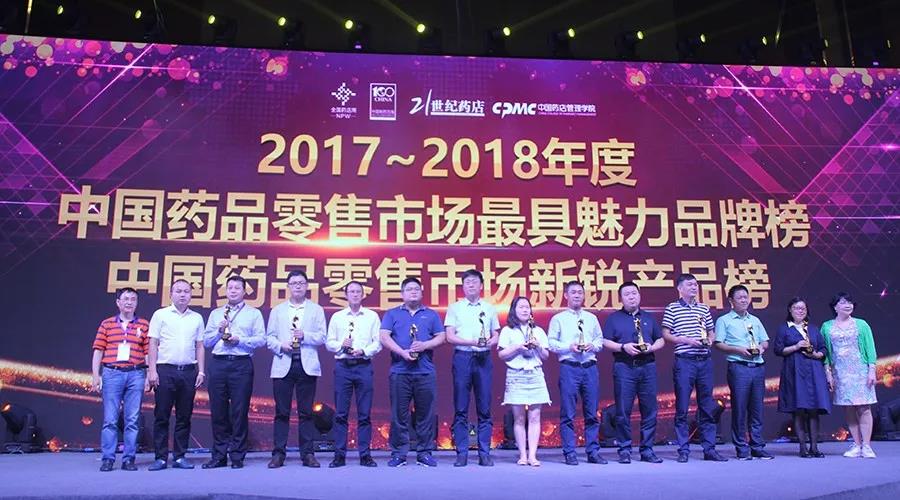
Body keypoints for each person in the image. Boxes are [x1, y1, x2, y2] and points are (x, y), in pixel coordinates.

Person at [379, 277, 446, 467]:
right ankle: (399, 453)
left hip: (425, 372)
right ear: (402, 293)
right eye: (409, 289)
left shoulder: (431, 314)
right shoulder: (392, 314)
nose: (413, 292)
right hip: (400, 371)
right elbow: (384, 336)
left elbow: (441, 336)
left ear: (422, 292)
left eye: (416, 289)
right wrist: (402, 352)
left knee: (425, 414)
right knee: (399, 414)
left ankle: (424, 453)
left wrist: (425, 345)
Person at [662, 273, 728, 462]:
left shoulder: (703, 308)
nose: (694, 287)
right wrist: (685, 340)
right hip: (685, 360)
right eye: (690, 284)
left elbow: (711, 331)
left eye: (695, 284)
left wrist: (710, 340)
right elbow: (666, 333)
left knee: (707, 405)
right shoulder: (672, 308)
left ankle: (709, 449)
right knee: (682, 406)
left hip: (704, 360)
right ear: (680, 288)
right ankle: (683, 449)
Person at [202, 275, 266, 469]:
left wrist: (240, 340)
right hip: (218, 363)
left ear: (244, 291)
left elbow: (261, 339)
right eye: (230, 287)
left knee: (239, 411)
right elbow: (207, 342)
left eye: (237, 288)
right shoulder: (216, 314)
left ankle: (237, 456)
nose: (233, 291)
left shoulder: (253, 314)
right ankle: (219, 455)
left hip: (241, 364)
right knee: (218, 411)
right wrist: (219, 331)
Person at [265, 270, 327, 469]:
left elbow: (322, 337)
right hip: (283, 363)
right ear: (288, 286)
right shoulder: (278, 310)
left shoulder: (316, 310)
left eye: (301, 283)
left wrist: (305, 335)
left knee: (306, 412)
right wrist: (280, 345)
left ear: (307, 286)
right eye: (294, 283)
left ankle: (307, 454)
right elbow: (269, 337)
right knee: (281, 412)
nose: (298, 286)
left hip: (306, 365)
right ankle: (278, 454)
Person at [602, 281, 664, 464]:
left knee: (650, 409)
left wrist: (652, 347)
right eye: (627, 294)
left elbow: (660, 339)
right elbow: (605, 341)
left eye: (634, 293)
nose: (631, 297)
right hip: (624, 366)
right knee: (623, 410)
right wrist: (623, 347)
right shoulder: (614, 318)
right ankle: (624, 450)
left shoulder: (649, 317)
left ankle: (647, 450)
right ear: (621, 298)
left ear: (639, 295)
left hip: (648, 366)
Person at [146, 279, 206, 471]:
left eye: (186, 291)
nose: (182, 294)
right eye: (178, 291)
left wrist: (201, 370)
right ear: (170, 294)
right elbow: (153, 343)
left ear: (191, 295)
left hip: (188, 371)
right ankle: (160, 458)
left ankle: (180, 456)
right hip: (165, 370)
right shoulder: (160, 315)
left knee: (184, 416)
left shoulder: (196, 318)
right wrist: (152, 370)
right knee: (162, 415)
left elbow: (200, 346)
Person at [444, 269, 500, 467]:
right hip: (463, 358)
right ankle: (462, 453)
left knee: (484, 407)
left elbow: (496, 334)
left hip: (484, 358)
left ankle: (484, 453)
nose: (471, 285)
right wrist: (471, 342)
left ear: (481, 285)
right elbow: (450, 336)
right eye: (467, 282)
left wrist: (491, 341)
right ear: (463, 286)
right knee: (461, 407)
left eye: (475, 282)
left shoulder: (489, 308)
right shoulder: (455, 308)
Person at [90, 287, 150, 472]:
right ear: (118, 302)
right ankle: (108, 458)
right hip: (112, 373)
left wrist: (149, 375)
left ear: (136, 303)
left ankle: (129, 459)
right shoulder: (107, 324)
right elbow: (98, 350)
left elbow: (148, 352)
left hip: (136, 374)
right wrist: (95, 375)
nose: (129, 302)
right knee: (110, 419)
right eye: (126, 299)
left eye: (133, 299)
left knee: (132, 419)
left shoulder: (144, 325)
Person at [324, 281, 382, 468]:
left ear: (363, 295)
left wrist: (364, 351)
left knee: (364, 414)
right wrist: (341, 345)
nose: (355, 294)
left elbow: (378, 343)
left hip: (363, 366)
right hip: (343, 367)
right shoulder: (337, 317)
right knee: (341, 413)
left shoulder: (372, 316)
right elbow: (329, 342)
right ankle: (339, 455)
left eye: (358, 292)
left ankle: (365, 455)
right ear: (346, 295)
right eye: (351, 292)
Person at [548, 281, 605, 466]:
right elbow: (551, 343)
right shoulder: (558, 319)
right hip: (569, 367)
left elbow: (600, 341)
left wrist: (592, 345)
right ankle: (570, 452)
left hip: (590, 367)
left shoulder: (591, 318)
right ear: (566, 295)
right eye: (573, 292)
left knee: (592, 413)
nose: (577, 295)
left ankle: (593, 452)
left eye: (580, 292)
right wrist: (568, 347)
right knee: (568, 413)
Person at [714, 285, 773, 460]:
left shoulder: (755, 320)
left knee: (757, 409)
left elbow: (765, 341)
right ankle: (741, 447)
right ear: (731, 301)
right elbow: (718, 343)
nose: (744, 300)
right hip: (739, 367)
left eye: (746, 297)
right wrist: (739, 350)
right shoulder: (724, 320)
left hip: (758, 367)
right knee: (739, 408)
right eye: (739, 297)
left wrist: (761, 348)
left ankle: (757, 446)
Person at [821, 292, 878, 459]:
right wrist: (828, 373)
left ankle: (867, 446)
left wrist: (872, 370)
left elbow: (870, 347)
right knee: (849, 408)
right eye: (843, 302)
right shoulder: (827, 326)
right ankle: (856, 444)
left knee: (864, 407)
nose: (848, 305)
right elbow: (825, 352)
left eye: (850, 302)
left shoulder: (861, 324)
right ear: (835, 307)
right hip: (840, 372)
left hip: (860, 371)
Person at [773, 297, 830, 458]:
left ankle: (814, 448)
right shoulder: (784, 328)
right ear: (790, 310)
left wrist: (817, 354)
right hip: (794, 370)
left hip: (814, 371)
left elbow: (824, 349)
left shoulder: (813, 328)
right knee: (798, 410)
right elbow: (778, 350)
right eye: (797, 308)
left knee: (813, 410)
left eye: (803, 308)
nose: (800, 311)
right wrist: (796, 346)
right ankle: (803, 448)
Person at [498, 296, 550, 467]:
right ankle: (522, 455)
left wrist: (538, 346)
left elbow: (546, 355)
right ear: (514, 310)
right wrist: (517, 347)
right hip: (516, 375)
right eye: (521, 307)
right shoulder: (508, 331)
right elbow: (501, 354)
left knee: (535, 417)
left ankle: (533, 455)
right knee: (519, 418)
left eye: (527, 307)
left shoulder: (538, 331)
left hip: (535, 375)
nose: (525, 310)